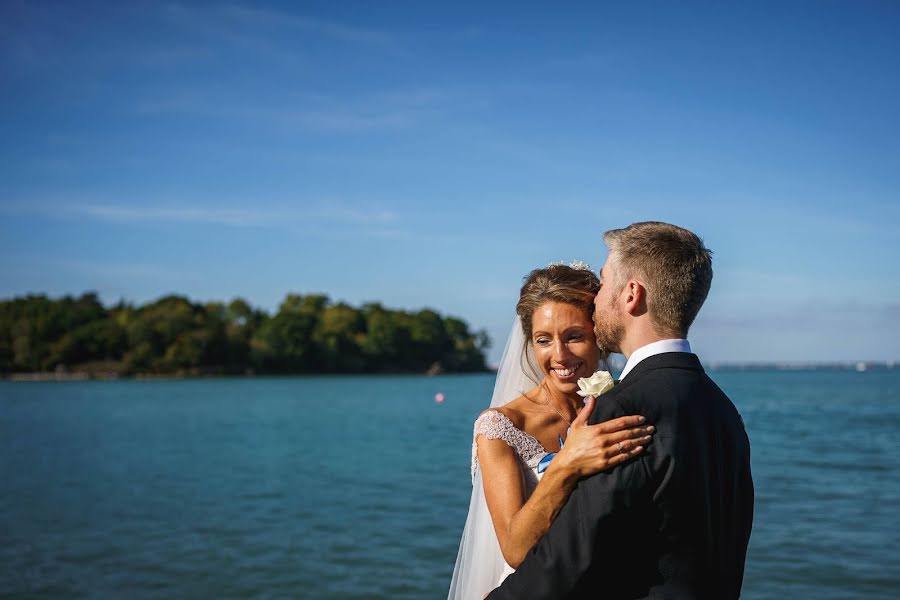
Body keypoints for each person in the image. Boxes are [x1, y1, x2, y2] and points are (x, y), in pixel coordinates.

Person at [487, 221, 754, 599]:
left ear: (631, 294)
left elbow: (569, 559)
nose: (596, 300)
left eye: (605, 281)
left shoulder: (621, 411)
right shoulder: (724, 410)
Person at [448, 263, 656, 600]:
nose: (559, 356)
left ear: (599, 336)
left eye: (575, 336)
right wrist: (568, 463)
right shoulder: (501, 427)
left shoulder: (625, 406)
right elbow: (515, 549)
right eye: (544, 340)